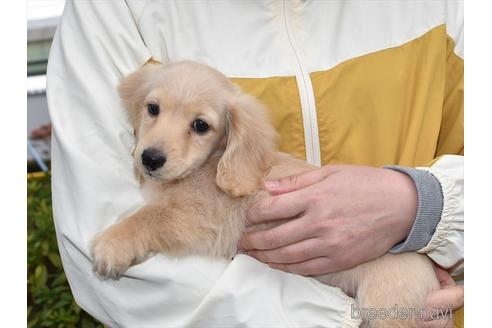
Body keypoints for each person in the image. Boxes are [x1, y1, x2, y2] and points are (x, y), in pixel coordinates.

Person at [47, 1, 463, 327]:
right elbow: (100, 241)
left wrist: (426, 204)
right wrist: (338, 319)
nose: (158, 140)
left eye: (199, 125)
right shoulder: (113, 11)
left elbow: (192, 223)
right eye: (152, 109)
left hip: (401, 287)